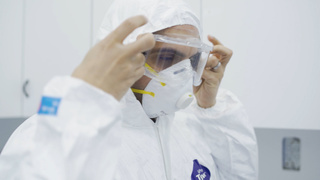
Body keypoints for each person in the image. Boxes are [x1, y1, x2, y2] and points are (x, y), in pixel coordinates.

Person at [0, 0, 258, 179]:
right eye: (167, 57)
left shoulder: (190, 129)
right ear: (122, 55)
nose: (182, 75)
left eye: (190, 60)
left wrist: (211, 109)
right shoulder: (64, 133)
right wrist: (85, 98)